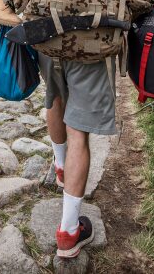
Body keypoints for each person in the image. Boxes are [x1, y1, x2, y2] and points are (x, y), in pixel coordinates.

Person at [37, 51, 116, 258]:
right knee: (78, 132)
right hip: (91, 42)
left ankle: (61, 167)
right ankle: (69, 232)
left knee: (54, 95)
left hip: (46, 38)